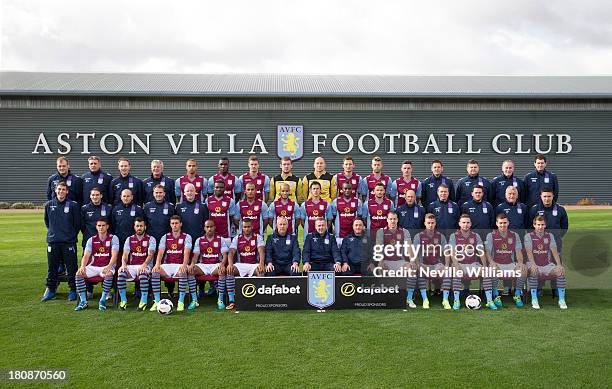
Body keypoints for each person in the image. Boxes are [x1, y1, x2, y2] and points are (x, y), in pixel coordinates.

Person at [375, 211, 425, 308]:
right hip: (386, 261)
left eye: (394, 219)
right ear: (387, 220)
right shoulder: (381, 231)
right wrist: (380, 261)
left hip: (400, 261)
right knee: (380, 269)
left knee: (412, 270)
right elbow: (378, 247)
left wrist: (412, 261)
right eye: (390, 219)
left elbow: (409, 247)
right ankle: (384, 297)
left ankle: (409, 298)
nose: (392, 221)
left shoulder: (404, 231)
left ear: (397, 220)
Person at [42, 181, 81, 302]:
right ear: (55, 190)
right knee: (52, 267)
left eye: (63, 189)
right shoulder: (49, 205)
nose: (61, 191)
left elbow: (77, 224)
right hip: (53, 242)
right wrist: (54, 233)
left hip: (68, 242)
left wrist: (69, 235)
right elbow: (47, 222)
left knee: (71, 267)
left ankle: (73, 290)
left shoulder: (73, 205)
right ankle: (51, 290)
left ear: (67, 191)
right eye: (59, 189)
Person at [448, 214, 496, 310]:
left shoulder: (475, 236)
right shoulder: (453, 236)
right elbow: (452, 252)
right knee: (456, 271)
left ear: (471, 224)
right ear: (459, 224)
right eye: (463, 222)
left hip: (473, 264)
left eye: (468, 222)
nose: (465, 225)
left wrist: (485, 265)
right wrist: (456, 265)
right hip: (460, 264)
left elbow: (481, 251)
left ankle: (490, 300)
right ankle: (457, 300)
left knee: (486, 272)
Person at [73, 217, 119, 311]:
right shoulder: (91, 240)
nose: (101, 227)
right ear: (96, 227)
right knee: (79, 273)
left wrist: (109, 266)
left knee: (109, 274)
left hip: (107, 266)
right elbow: (86, 256)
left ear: (107, 226)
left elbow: (115, 255)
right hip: (94, 266)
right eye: (99, 226)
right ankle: (83, 301)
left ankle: (102, 301)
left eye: (103, 225)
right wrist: (82, 267)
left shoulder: (113, 238)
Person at [150, 216, 193, 312]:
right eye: (172, 223)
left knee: (183, 272)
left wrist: (184, 265)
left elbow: (187, 252)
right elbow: (160, 252)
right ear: (170, 224)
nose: (174, 225)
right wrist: (157, 264)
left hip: (179, 265)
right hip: (167, 265)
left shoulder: (187, 236)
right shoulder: (165, 237)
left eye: (176, 223)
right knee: (155, 272)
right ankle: (157, 301)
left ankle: (180, 301)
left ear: (180, 224)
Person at [524, 216, 568, 309]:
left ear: (545, 225)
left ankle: (561, 300)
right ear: (534, 225)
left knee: (560, 271)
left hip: (547, 265)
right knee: (534, 271)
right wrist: (533, 264)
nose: (540, 227)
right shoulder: (528, 236)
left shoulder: (550, 236)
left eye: (542, 225)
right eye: (538, 225)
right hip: (533, 263)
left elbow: (554, 251)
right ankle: (534, 299)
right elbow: (529, 252)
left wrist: (559, 265)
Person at [484, 213, 526, 308]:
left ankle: (517, 294)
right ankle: (495, 294)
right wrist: (491, 262)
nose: (503, 225)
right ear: (497, 223)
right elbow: (487, 252)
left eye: (505, 223)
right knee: (492, 269)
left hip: (510, 263)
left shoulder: (514, 235)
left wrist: (520, 263)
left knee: (523, 270)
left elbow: (518, 251)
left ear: (508, 223)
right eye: (501, 223)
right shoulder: (491, 235)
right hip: (497, 263)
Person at [412, 214, 452, 309]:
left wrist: (446, 265)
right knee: (420, 271)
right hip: (424, 263)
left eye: (432, 223)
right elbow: (415, 253)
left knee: (447, 272)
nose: (430, 225)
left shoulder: (440, 236)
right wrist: (419, 264)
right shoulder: (418, 236)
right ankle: (425, 299)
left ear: (435, 224)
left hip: (437, 264)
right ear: (425, 223)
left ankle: (445, 300)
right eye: (428, 223)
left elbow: (446, 252)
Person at [117, 218, 156, 311]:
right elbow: (125, 254)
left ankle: (143, 300)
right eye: (137, 226)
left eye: (141, 226)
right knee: (121, 274)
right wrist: (123, 265)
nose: (139, 228)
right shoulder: (129, 239)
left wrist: (144, 264)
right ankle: (123, 300)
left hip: (146, 265)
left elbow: (151, 254)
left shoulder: (151, 239)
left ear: (145, 227)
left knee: (142, 274)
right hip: (132, 266)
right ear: (134, 227)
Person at [190, 220, 230, 310]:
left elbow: (225, 255)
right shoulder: (199, 240)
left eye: (211, 226)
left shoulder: (221, 239)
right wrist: (192, 264)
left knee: (222, 270)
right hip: (203, 265)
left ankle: (220, 299)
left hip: (215, 265)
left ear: (214, 227)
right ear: (204, 228)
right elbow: (196, 255)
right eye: (207, 227)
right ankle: (194, 300)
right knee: (191, 270)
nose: (209, 229)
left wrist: (223, 264)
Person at [226, 220, 266, 309]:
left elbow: (261, 251)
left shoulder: (257, 237)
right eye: (244, 227)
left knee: (261, 272)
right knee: (229, 271)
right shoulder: (237, 238)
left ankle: (259, 300)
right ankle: (232, 300)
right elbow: (231, 252)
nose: (246, 229)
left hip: (254, 265)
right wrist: (230, 264)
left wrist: (261, 263)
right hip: (241, 265)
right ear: (242, 228)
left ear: (252, 227)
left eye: (248, 227)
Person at [330, 181, 364, 246]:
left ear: (352, 190)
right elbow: (333, 218)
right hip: (339, 235)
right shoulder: (336, 201)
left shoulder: (357, 201)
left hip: (353, 234)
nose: (347, 190)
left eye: (349, 189)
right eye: (345, 188)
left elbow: (359, 217)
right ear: (342, 190)